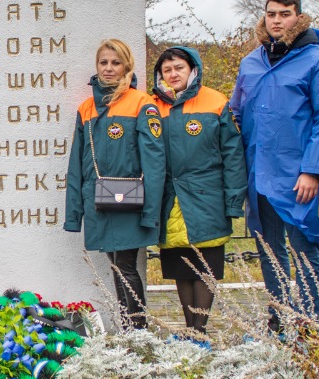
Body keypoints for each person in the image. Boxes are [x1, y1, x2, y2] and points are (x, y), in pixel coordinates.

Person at [230, 0, 319, 334]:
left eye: (284, 13)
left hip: (297, 175)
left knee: (304, 248)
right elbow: (236, 113)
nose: (277, 20)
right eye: (271, 14)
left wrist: (313, 170)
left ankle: (311, 324)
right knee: (269, 249)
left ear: (298, 17)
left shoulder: (318, 61)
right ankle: (279, 320)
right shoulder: (251, 62)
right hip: (257, 171)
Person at [64, 39, 167, 329]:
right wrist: (74, 214)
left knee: (125, 267)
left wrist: (151, 212)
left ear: (126, 67)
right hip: (98, 201)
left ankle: (138, 332)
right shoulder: (86, 108)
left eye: (115, 63)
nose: (108, 68)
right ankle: (129, 330)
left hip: (130, 202)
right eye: (103, 62)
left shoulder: (141, 103)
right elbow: (77, 164)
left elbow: (154, 161)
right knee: (117, 267)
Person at [150, 47, 247, 338]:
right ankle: (188, 331)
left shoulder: (216, 102)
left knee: (206, 266)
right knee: (180, 266)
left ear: (193, 69)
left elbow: (233, 155)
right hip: (170, 198)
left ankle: (200, 331)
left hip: (207, 197)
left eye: (179, 68)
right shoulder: (153, 105)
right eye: (167, 70)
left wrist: (233, 200)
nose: (173, 74)